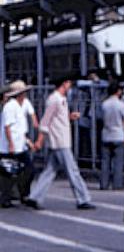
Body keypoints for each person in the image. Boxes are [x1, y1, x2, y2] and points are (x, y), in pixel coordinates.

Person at [27, 74, 95, 210]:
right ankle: (83, 198)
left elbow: (55, 119)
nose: (70, 86)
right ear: (64, 83)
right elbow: (45, 121)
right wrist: (40, 140)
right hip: (60, 140)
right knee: (72, 170)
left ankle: (34, 196)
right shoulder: (55, 100)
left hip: (60, 139)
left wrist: (69, 117)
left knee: (50, 170)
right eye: (69, 83)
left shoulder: (60, 99)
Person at [1, 81, 35, 208]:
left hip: (20, 144)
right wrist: (10, 144)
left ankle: (22, 193)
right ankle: (6, 198)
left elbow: (20, 128)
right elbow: (7, 127)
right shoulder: (10, 106)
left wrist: (27, 140)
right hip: (11, 145)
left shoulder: (21, 105)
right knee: (8, 173)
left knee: (28, 170)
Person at [99, 82, 124, 191]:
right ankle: (117, 184)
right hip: (118, 134)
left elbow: (101, 118)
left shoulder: (104, 104)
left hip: (106, 134)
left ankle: (104, 183)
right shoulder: (121, 104)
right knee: (118, 161)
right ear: (118, 91)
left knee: (105, 161)